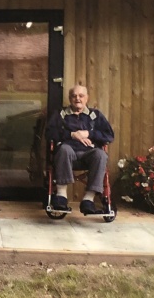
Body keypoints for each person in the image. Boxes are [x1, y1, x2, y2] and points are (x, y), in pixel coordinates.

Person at [45, 84, 114, 215]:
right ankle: (61, 196)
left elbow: (109, 135)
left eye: (81, 96)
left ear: (87, 98)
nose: (78, 99)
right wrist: (71, 135)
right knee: (64, 149)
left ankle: (88, 199)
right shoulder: (60, 114)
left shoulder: (95, 115)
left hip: (89, 155)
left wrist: (89, 134)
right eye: (74, 96)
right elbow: (49, 134)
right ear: (70, 98)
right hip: (67, 156)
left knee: (101, 155)